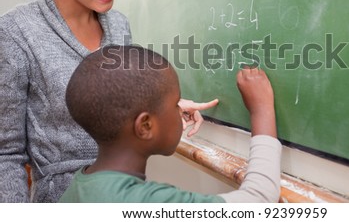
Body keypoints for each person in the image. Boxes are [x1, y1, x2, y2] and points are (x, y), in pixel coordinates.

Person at [0, 0, 216, 203]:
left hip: (125, 197)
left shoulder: (118, 25)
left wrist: (165, 106)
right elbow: (4, 153)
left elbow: (120, 105)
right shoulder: (15, 32)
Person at [59, 45, 280, 203]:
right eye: (176, 104)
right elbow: (258, 199)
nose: (180, 110)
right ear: (145, 126)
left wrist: (165, 113)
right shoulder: (145, 203)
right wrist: (262, 110)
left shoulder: (79, 188)